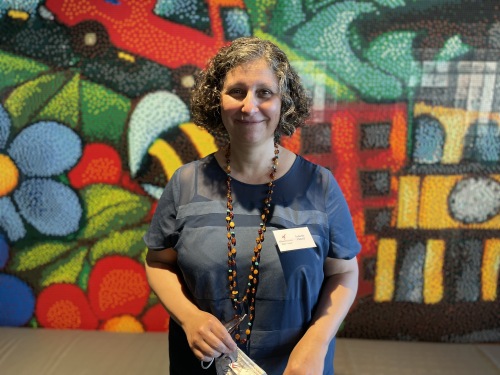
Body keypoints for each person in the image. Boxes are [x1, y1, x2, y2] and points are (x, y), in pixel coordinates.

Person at [143, 36, 360, 375]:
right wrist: (189, 317)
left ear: (284, 102)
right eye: (237, 92)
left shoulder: (319, 186)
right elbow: (158, 263)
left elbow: (344, 272)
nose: (249, 106)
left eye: (265, 93)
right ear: (217, 100)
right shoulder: (185, 184)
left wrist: (317, 341)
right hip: (204, 366)